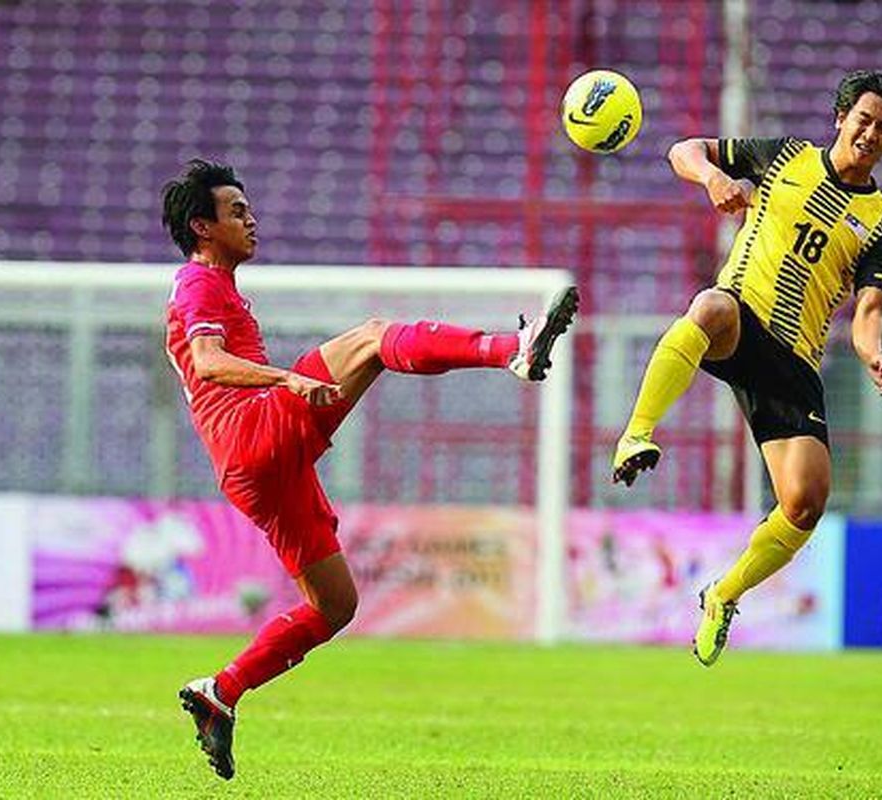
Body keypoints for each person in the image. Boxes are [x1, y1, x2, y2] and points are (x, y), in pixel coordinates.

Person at [162, 159, 578, 779]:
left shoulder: (218, 286)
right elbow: (208, 360)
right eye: (237, 212)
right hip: (251, 433)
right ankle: (511, 349)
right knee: (373, 338)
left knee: (334, 605)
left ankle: (220, 692)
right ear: (202, 227)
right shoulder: (199, 283)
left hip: (253, 472)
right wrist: (287, 380)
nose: (252, 221)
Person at [611, 70, 882, 666]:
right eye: (864, 119)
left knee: (805, 502)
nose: (871, 133)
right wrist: (714, 178)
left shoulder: (881, 223)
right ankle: (637, 434)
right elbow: (685, 150)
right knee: (711, 305)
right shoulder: (783, 157)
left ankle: (723, 594)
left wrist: (872, 351)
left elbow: (870, 306)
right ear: (841, 117)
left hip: (794, 360)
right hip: (742, 320)